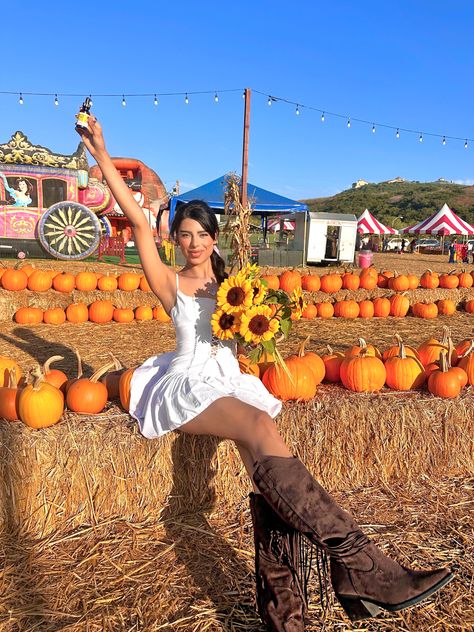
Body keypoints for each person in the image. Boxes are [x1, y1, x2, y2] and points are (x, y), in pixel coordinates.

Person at [76, 116, 453, 631]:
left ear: (213, 238)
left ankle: (286, 618)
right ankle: (364, 566)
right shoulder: (170, 283)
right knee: (261, 428)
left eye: (199, 235)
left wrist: (262, 328)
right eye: (182, 236)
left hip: (229, 379)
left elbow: (258, 332)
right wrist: (103, 152)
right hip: (187, 385)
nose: (191, 244)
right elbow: (139, 222)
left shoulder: (239, 285)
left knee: (263, 473)